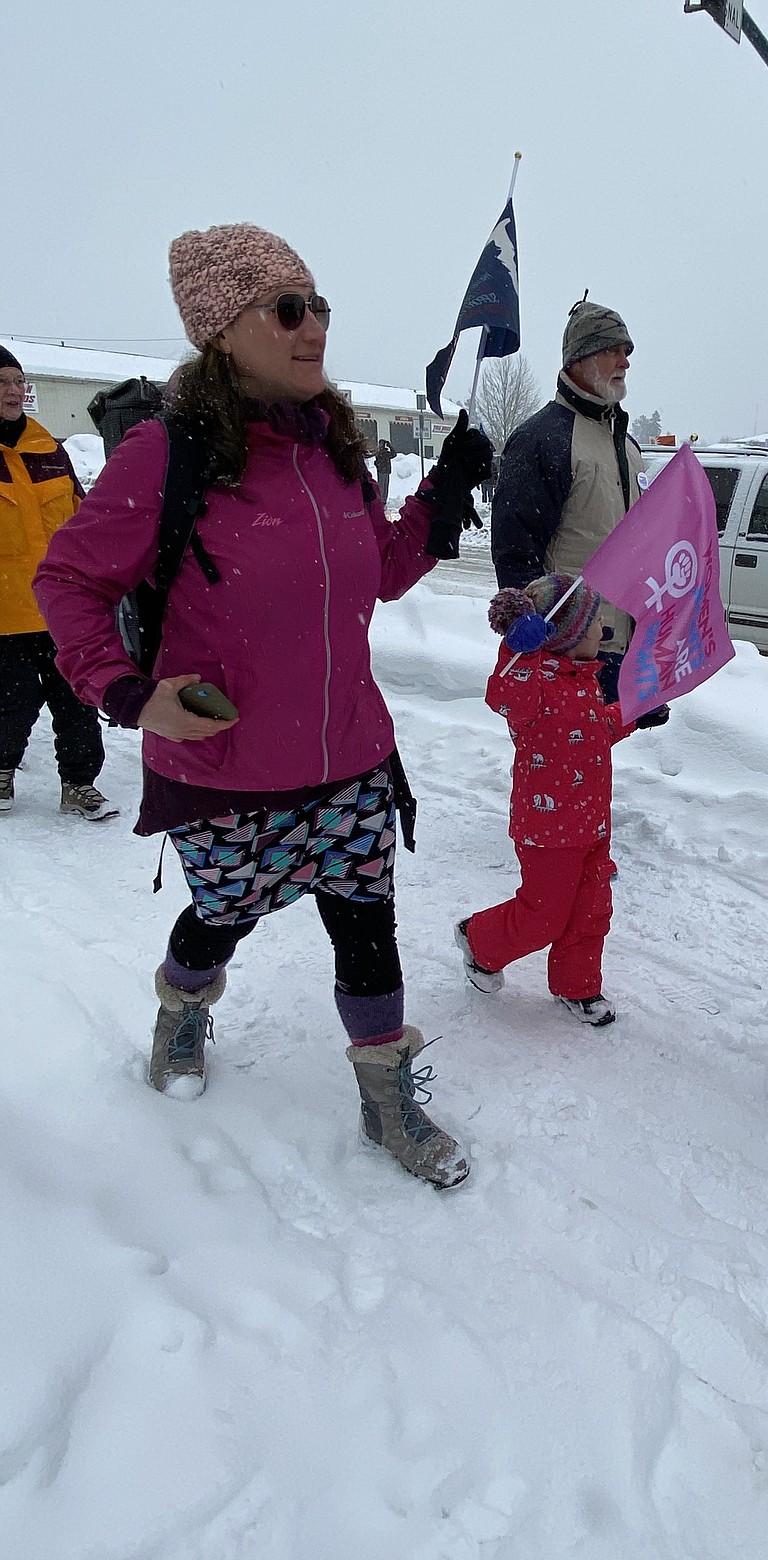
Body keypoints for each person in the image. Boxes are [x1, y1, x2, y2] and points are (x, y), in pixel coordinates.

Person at [34, 222, 491, 1190]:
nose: (313, 326)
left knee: (366, 925)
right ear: (222, 332)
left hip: (352, 757)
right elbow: (66, 582)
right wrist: (123, 692)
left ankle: (384, 1096)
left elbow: (381, 572)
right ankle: (183, 1006)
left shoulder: (335, 452)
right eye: (287, 309)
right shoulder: (168, 455)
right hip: (226, 766)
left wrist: (440, 500)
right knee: (221, 916)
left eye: (318, 304)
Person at [454, 574, 635, 1026]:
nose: (603, 631)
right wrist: (519, 651)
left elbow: (592, 735)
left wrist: (632, 714)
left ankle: (578, 987)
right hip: (548, 829)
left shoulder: (584, 680)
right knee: (544, 916)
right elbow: (503, 694)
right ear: (567, 636)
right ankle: (479, 941)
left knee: (591, 911)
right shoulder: (532, 689)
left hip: (592, 824)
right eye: (595, 624)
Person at [490, 297, 649, 707]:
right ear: (580, 358)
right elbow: (515, 548)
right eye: (612, 350)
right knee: (558, 765)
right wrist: (526, 625)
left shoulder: (627, 445)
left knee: (597, 763)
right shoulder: (541, 439)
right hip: (567, 651)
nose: (625, 361)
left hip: (619, 644)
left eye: (626, 351)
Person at [0, 346, 118, 820]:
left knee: (78, 702)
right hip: (5, 611)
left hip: (60, 608)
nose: (13, 391)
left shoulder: (48, 450)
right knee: (10, 705)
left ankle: (79, 783)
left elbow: (80, 518)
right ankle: (2, 773)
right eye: (1, 383)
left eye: (17, 381)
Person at [374, 438, 395, 506]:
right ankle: (381, 500)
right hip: (381, 471)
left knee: (385, 486)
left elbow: (394, 454)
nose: (380, 445)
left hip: (386, 471)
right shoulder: (379, 453)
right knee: (381, 487)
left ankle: (383, 500)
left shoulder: (386, 453)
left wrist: (390, 446)